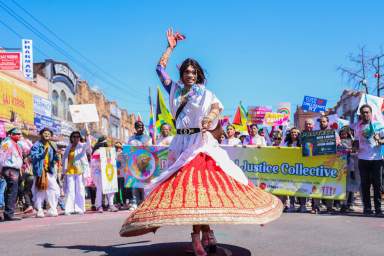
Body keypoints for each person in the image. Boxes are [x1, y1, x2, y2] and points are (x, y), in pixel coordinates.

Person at [120, 28, 283, 256]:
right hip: (181, 144)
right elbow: (159, 69)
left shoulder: (205, 93)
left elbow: (217, 107)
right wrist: (170, 47)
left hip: (201, 144)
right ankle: (207, 233)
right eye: (187, 72)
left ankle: (198, 238)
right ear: (182, 75)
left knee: (202, 189)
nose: (190, 75)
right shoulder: (173, 89)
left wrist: (210, 118)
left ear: (198, 75)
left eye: (193, 72)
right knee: (188, 192)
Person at [354, 104, 384, 216]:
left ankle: (378, 209)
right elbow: (356, 142)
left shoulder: (378, 125)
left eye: (367, 112)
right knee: (365, 185)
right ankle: (367, 208)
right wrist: (354, 147)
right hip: (362, 159)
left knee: (377, 185)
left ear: (371, 113)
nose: (365, 114)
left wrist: (380, 141)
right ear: (361, 114)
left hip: (376, 159)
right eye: (363, 112)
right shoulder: (358, 127)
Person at [30, 128, 61, 218]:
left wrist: (56, 157)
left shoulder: (52, 145)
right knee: (40, 190)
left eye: (48, 133)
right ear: (41, 134)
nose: (47, 134)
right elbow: (33, 156)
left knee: (54, 189)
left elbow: (53, 158)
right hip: (40, 171)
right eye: (45, 133)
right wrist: (42, 155)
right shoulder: (36, 144)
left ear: (50, 136)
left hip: (49, 171)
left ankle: (52, 208)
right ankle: (39, 209)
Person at [62, 130, 91, 215]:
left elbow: (88, 144)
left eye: (77, 137)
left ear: (80, 138)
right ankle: (69, 209)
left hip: (79, 171)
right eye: (74, 136)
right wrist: (63, 171)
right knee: (70, 190)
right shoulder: (68, 147)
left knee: (80, 189)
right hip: (69, 171)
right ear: (71, 138)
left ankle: (80, 208)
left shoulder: (82, 146)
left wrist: (88, 135)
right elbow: (64, 159)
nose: (76, 138)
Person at [0, 128, 24, 221]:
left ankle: (9, 213)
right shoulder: (7, 143)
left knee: (12, 190)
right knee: (12, 191)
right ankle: (9, 214)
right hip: (9, 169)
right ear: (11, 134)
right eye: (16, 134)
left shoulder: (16, 144)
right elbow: (1, 155)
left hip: (15, 169)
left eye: (20, 134)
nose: (19, 135)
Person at [90, 136, 118, 213]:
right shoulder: (97, 152)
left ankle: (111, 205)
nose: (106, 144)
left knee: (110, 188)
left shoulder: (109, 151)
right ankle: (99, 206)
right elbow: (94, 164)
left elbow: (113, 161)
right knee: (100, 189)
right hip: (98, 173)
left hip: (107, 172)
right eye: (105, 143)